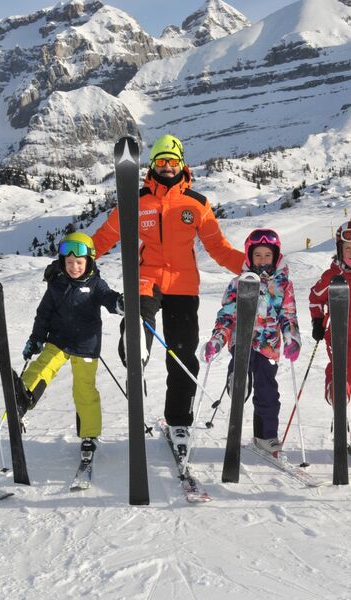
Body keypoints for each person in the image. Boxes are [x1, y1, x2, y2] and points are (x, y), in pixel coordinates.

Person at [91, 134, 244, 451]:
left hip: (184, 285)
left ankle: (178, 421)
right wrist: (77, 258)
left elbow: (218, 247)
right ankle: (136, 345)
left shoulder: (197, 204)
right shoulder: (138, 200)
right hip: (147, 277)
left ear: (182, 163)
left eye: (172, 161)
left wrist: (249, 267)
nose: (167, 167)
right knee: (140, 312)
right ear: (153, 164)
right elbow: (106, 236)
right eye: (161, 161)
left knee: (182, 352)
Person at [16, 232, 123, 461]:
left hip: (86, 345)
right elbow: (43, 315)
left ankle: (89, 434)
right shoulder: (56, 284)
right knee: (43, 365)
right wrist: (36, 338)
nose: (74, 267)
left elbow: (109, 298)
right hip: (59, 340)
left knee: (84, 390)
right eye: (69, 262)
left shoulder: (96, 284)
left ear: (89, 261)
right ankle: (23, 397)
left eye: (79, 262)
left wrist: (121, 304)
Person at [202, 229, 301, 457]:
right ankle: (236, 380)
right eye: (258, 255)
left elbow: (288, 314)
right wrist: (216, 340)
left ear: (276, 257)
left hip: (268, 347)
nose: (263, 260)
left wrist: (291, 339)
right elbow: (226, 316)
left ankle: (265, 436)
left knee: (267, 391)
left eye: (268, 255)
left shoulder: (283, 284)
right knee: (241, 372)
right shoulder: (238, 283)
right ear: (249, 256)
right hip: (242, 342)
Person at [309, 220, 351, 465]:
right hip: (337, 333)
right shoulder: (332, 275)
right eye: (348, 248)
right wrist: (318, 321)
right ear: (340, 250)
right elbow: (315, 298)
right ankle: (335, 389)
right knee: (341, 370)